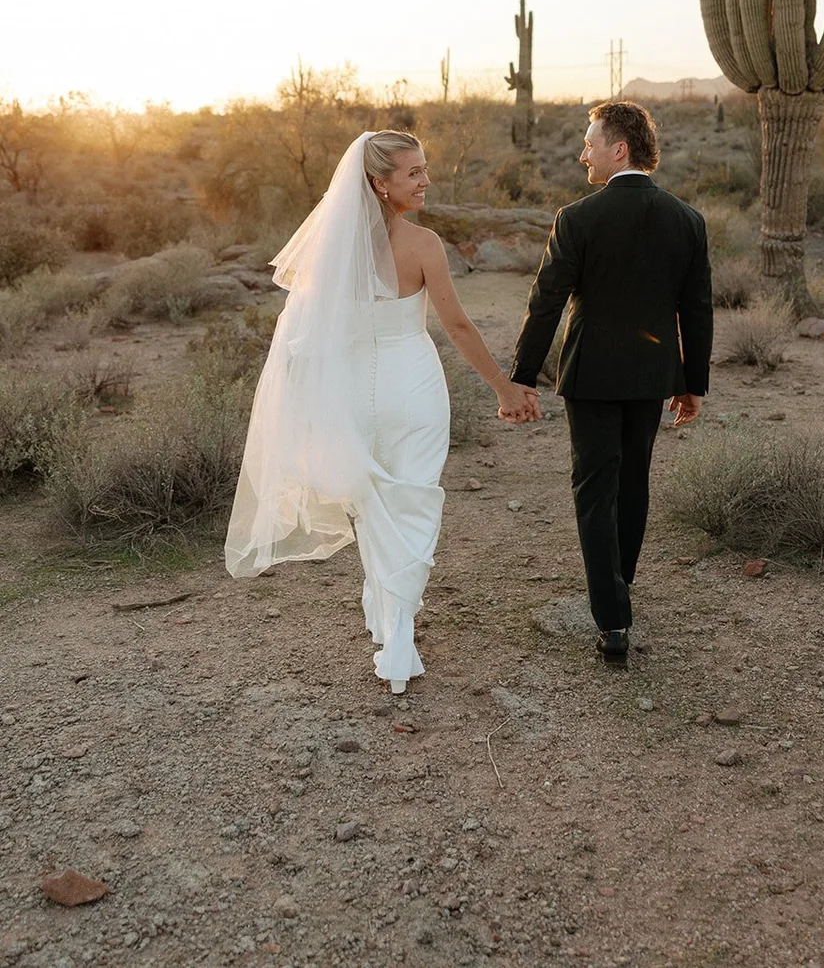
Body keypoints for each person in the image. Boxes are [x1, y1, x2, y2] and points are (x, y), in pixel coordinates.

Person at [225, 130, 539, 694]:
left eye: (424, 169)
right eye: (413, 173)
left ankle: (390, 620)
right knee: (412, 499)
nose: (425, 180)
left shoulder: (330, 247)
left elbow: (312, 332)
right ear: (379, 182)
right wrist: (502, 387)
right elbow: (458, 324)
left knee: (375, 502)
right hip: (413, 387)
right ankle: (399, 631)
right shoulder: (423, 244)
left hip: (353, 390)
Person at [510, 101, 713, 664]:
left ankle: (612, 619)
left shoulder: (576, 218)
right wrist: (692, 382)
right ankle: (618, 589)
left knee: (594, 488)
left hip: (591, 375)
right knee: (633, 482)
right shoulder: (687, 220)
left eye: (589, 143)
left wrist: (523, 376)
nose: (583, 154)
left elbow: (546, 302)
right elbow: (696, 310)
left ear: (618, 149)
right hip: (652, 377)